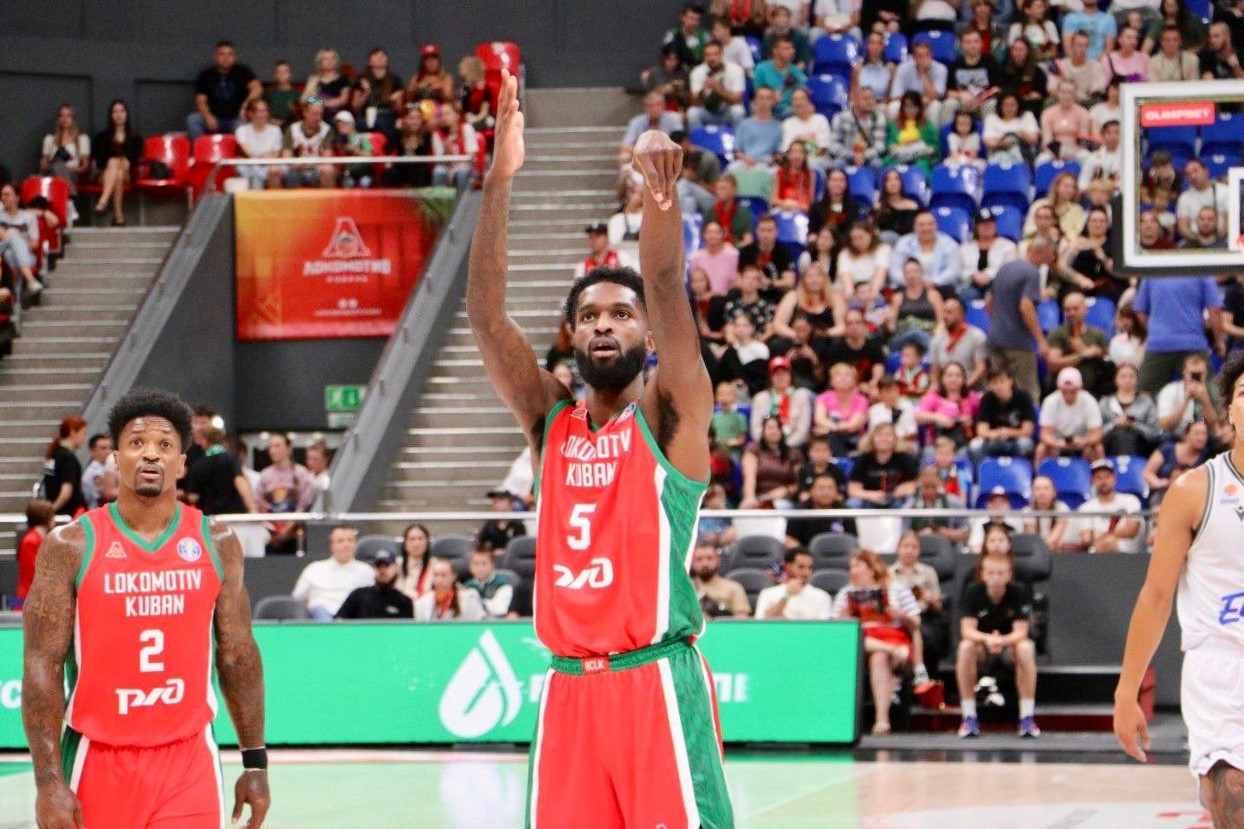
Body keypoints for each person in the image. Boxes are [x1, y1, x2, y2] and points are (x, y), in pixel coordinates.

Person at [466, 71, 732, 825]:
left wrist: (658, 193)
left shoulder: (671, 415)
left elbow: (664, 281)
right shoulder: (549, 419)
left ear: (647, 334)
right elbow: (485, 317)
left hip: (655, 681)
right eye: (589, 316)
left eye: (621, 314)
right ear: (572, 336)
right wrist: (500, 179)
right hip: (566, 689)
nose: (605, 324)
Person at [21, 389, 269, 829]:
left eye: (164, 444)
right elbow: (43, 665)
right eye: (137, 443)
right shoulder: (71, 545)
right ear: (116, 459)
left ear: (181, 463)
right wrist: (48, 781)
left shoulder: (217, 543)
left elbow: (238, 655)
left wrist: (255, 762)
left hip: (189, 760)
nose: (151, 453)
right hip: (98, 758)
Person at [835, 548, 925, 735]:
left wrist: (901, 614)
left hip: (892, 634)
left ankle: (882, 719)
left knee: (879, 657)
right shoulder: (846, 592)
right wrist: (842, 618)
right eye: (851, 567)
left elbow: (916, 621)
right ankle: (891, 650)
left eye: (857, 566)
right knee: (860, 639)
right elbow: (833, 627)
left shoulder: (896, 588)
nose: (852, 571)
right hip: (861, 638)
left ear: (871, 569)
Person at [957, 549, 1040, 737]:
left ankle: (1027, 718)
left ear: (1009, 575)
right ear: (983, 574)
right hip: (982, 647)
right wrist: (987, 639)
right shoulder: (972, 592)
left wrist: (1001, 640)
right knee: (965, 647)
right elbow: (967, 630)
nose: (995, 578)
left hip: (1008, 647)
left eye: (1000, 573)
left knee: (1026, 648)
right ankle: (969, 717)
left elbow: (1021, 632)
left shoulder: (1018, 592)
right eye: (991, 573)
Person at [1133, 276, 1225, 397]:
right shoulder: (1202, 272)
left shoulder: (1153, 273)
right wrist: (1219, 341)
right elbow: (1215, 311)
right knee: (1206, 395)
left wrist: (1155, 329)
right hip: (1193, 343)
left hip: (1159, 343)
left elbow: (1139, 309)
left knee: (1144, 396)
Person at [986, 241, 1055, 404]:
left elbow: (988, 300)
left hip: (995, 338)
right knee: (1028, 392)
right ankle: (1031, 420)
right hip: (1018, 342)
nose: (1052, 258)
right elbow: (1026, 306)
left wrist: (998, 322)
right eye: (1050, 254)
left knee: (999, 390)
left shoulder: (1004, 268)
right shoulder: (1032, 272)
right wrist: (1041, 340)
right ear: (1038, 253)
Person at [292, 524, 374, 620]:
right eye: (340, 541)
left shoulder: (366, 571)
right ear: (332, 546)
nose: (346, 545)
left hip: (353, 618)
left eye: (350, 540)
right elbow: (297, 598)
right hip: (321, 616)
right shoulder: (314, 569)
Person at [187, 40, 262, 141]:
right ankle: (200, 148)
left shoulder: (243, 72)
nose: (226, 58)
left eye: (230, 54)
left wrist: (246, 106)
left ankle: (242, 151)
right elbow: (200, 100)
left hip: (236, 118)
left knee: (243, 126)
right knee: (193, 120)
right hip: (214, 118)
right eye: (222, 54)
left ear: (235, 57)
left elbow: (257, 88)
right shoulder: (206, 75)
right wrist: (207, 116)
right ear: (215, 57)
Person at [256, 433, 315, 555]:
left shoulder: (301, 473)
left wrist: (288, 529)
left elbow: (304, 504)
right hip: (272, 537)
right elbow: (258, 503)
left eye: (277, 446)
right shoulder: (265, 474)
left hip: (296, 535)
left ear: (288, 449)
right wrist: (271, 528)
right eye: (270, 447)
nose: (273, 450)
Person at [1047, 290, 1112, 398]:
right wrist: (1083, 354)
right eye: (1067, 309)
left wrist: (1090, 351)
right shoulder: (1057, 334)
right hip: (1063, 392)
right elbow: (1053, 364)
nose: (1071, 313)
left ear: (1086, 309)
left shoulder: (1098, 334)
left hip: (1094, 391)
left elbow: (1108, 359)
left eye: (1075, 309)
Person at [1036, 367, 1105, 464]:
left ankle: (1101, 472)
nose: (1068, 395)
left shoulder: (1089, 401)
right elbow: (1044, 434)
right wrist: (1057, 443)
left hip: (1083, 441)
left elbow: (1097, 434)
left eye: (1072, 391)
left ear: (1079, 388)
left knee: (1098, 448)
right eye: (1064, 391)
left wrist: (1084, 441)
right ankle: (1038, 473)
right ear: (1059, 388)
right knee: (1042, 449)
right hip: (1057, 442)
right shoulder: (1050, 401)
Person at [91, 99, 143, 227]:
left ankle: (103, 202)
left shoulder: (135, 138)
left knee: (119, 170)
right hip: (104, 174)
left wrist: (128, 162)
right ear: (110, 115)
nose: (119, 115)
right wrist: (118, 160)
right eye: (115, 112)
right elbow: (99, 162)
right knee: (115, 167)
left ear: (126, 114)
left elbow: (136, 161)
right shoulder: (102, 137)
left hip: (128, 174)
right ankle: (118, 216)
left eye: (122, 111)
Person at [970, 368, 1037, 464]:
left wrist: (1008, 432)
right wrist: (993, 433)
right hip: (993, 439)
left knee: (1025, 444)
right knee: (975, 445)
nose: (999, 386)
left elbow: (1028, 430)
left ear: (1010, 381)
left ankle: (1019, 470)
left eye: (1002, 381)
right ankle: (984, 471)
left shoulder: (1023, 397)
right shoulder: (987, 399)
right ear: (989, 386)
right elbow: (981, 430)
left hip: (1016, 437)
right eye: (994, 383)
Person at [1076, 459, 1143, 553]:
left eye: (1107, 477)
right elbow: (1086, 538)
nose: (1103, 481)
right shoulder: (1085, 508)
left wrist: (1102, 534)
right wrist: (1112, 535)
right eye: (1098, 477)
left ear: (1114, 478)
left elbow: (1132, 530)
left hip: (1129, 553)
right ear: (1092, 480)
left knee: (1109, 542)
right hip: (1097, 553)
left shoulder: (1131, 500)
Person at [848, 422, 920, 508]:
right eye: (879, 435)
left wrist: (904, 489)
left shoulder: (905, 458)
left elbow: (916, 483)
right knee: (853, 503)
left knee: (911, 500)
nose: (884, 439)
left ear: (895, 439)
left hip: (897, 499)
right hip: (869, 500)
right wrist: (869, 495)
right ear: (872, 439)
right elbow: (853, 490)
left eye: (888, 435)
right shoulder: (863, 459)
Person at [1143, 419, 1213, 508]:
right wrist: (1160, 483)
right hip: (1162, 495)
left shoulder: (1207, 457)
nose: (1201, 438)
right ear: (1187, 435)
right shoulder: (1167, 449)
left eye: (1204, 434)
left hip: (1191, 498)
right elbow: (1148, 472)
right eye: (1197, 434)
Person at [1100, 362, 1161, 458]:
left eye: (1131, 376)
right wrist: (1114, 424)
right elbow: (1097, 432)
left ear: (1137, 379)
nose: (1127, 380)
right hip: (1111, 442)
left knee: (1128, 437)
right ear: (1116, 379)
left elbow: (1155, 433)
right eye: (1123, 376)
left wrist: (1134, 425)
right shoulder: (1105, 403)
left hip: (1140, 443)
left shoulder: (1147, 402)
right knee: (1120, 435)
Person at [1157, 353, 1222, 442]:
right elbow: (1164, 425)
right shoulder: (1170, 390)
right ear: (1184, 372)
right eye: (1192, 374)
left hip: (1204, 436)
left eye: (1199, 374)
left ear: (1206, 373)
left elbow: (1216, 426)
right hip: (1177, 435)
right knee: (1165, 437)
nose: (1195, 378)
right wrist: (1185, 400)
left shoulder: (1214, 391)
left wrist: (1205, 401)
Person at [335, 548, 415, 620]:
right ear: (374, 568)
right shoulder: (358, 595)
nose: (382, 570)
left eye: (387, 566)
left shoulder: (404, 602)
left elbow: (409, 630)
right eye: (379, 566)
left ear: (395, 568)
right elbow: (338, 621)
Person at [755, 547, 833, 620]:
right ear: (787, 567)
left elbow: (823, 627)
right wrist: (787, 596)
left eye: (809, 567)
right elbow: (762, 624)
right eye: (801, 567)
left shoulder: (822, 596)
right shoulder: (768, 594)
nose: (806, 572)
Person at [902, 466, 970, 547]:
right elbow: (903, 535)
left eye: (933, 486)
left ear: (940, 483)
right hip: (918, 549)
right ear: (919, 484)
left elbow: (966, 532)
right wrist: (919, 535)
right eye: (926, 487)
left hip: (949, 549)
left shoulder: (955, 503)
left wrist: (948, 533)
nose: (930, 491)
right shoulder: (909, 506)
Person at [785, 473, 858, 548]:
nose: (826, 492)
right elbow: (790, 540)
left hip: (839, 552)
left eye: (830, 488)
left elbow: (853, 540)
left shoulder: (845, 512)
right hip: (806, 552)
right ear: (811, 491)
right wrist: (806, 553)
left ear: (836, 491)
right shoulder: (799, 512)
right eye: (821, 488)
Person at [688, 40, 747, 129]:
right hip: (707, 112)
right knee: (692, 112)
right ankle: (698, 138)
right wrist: (702, 91)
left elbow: (737, 100)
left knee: (738, 111)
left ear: (722, 54)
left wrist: (718, 89)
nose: (712, 58)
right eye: (708, 55)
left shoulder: (735, 70)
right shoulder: (697, 72)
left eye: (715, 54)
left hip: (727, 112)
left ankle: (738, 138)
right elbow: (695, 103)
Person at [691, 539, 752, 618]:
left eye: (709, 558)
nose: (705, 564)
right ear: (692, 562)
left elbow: (741, 621)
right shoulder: (686, 588)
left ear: (718, 560)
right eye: (699, 559)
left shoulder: (734, 588)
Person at [41, 416, 88, 518]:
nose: (85, 438)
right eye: (83, 433)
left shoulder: (54, 454)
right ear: (72, 432)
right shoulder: (67, 458)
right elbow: (66, 492)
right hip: (70, 514)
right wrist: (52, 510)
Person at [234, 99, 285, 190]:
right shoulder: (241, 130)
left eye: (265, 111)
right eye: (259, 111)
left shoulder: (275, 130)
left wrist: (264, 159)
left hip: (268, 165)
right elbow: (247, 152)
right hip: (249, 165)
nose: (263, 114)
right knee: (254, 172)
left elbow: (275, 153)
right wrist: (262, 157)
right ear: (251, 114)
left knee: (275, 170)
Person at [15, 498, 56, 609]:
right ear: (45, 517)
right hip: (30, 599)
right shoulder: (30, 541)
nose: (54, 519)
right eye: (52, 515)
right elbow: (35, 572)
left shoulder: (43, 539)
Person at [414, 558, 487, 621]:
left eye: (444, 575)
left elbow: (479, 625)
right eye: (436, 575)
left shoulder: (470, 597)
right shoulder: (422, 602)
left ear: (453, 576)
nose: (439, 580)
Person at [40, 104, 91, 192]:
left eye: (68, 116)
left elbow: (85, 166)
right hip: (53, 172)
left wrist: (70, 168)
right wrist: (47, 164)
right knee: (58, 166)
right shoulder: (50, 139)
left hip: (72, 173)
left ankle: (68, 193)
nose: (64, 119)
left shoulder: (82, 139)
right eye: (62, 116)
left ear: (73, 119)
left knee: (61, 169)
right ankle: (71, 195)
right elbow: (44, 164)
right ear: (58, 119)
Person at [1025, 475, 1074, 552]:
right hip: (1037, 551)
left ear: (1054, 492)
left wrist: (1046, 547)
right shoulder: (1027, 511)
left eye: (1046, 488)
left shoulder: (1062, 508)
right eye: (1037, 489)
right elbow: (1033, 538)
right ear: (1032, 493)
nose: (1042, 492)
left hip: (1059, 551)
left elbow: (1055, 538)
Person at [464, 548, 515, 618]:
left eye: (484, 564)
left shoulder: (503, 585)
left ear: (492, 565)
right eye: (476, 564)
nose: (480, 568)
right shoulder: (466, 587)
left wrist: (480, 604)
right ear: (470, 567)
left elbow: (501, 609)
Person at [395, 523, 433, 600]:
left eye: (420, 539)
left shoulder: (435, 566)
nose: (416, 544)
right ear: (405, 543)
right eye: (412, 539)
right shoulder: (395, 564)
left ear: (427, 542)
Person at [80, 433, 112, 510]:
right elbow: (104, 497)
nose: (108, 451)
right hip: (97, 511)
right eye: (103, 448)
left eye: (110, 448)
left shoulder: (106, 467)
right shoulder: (94, 472)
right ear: (92, 451)